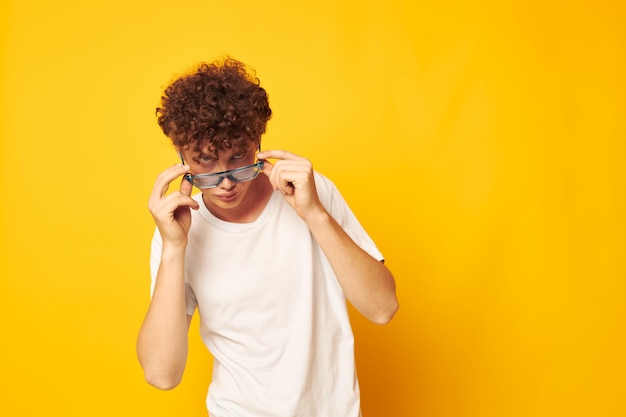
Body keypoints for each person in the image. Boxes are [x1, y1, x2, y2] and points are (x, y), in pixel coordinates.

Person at [136, 57, 399, 417]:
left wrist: (313, 213)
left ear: (258, 142)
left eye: (239, 157)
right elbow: (161, 374)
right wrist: (173, 248)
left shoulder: (310, 193)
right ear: (181, 156)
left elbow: (382, 308)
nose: (226, 181)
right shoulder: (178, 228)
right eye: (205, 162)